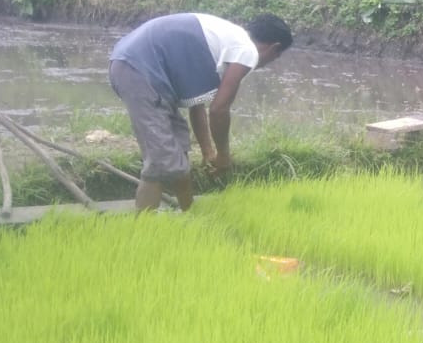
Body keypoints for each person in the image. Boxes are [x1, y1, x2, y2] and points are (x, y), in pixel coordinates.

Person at [108, 12, 293, 212]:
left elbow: (197, 104)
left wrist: (208, 152)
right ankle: (142, 232)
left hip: (139, 68)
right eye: (277, 56)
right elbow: (218, 110)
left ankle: (191, 215)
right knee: (161, 162)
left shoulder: (227, 39)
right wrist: (223, 155)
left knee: (179, 154)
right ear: (274, 49)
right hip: (139, 70)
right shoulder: (246, 51)